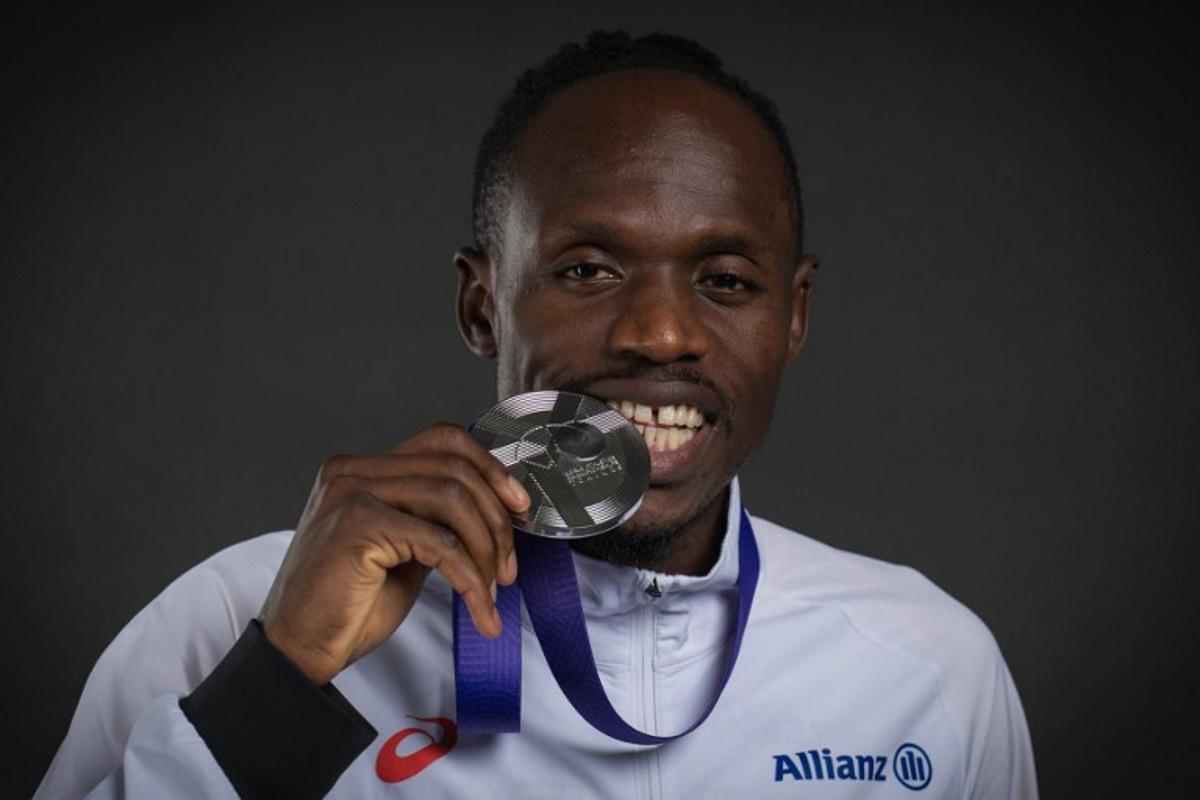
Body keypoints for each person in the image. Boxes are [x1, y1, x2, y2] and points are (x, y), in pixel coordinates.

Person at [36, 30, 1038, 799]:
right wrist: (282, 681)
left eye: (726, 280)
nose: (660, 333)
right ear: (482, 306)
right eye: (588, 269)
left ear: (795, 316)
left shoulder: (927, 664)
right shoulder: (238, 618)